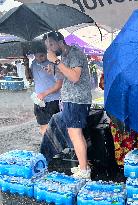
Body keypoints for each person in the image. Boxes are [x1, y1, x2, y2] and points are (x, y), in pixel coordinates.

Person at [43, 31, 92, 179]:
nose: (50, 48)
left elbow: (75, 77)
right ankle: (84, 167)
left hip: (77, 100)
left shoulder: (75, 53)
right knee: (75, 134)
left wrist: (57, 62)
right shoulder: (64, 56)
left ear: (60, 41)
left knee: (75, 134)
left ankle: (84, 171)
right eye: (47, 46)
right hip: (71, 100)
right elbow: (65, 76)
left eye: (51, 44)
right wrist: (54, 68)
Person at [27, 44, 63, 135]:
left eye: (42, 56)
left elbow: (59, 84)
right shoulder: (34, 63)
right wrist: (26, 65)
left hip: (53, 100)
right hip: (39, 100)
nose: (39, 58)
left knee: (55, 126)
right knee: (43, 126)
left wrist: (44, 93)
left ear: (47, 53)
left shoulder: (53, 64)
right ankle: (46, 146)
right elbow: (30, 78)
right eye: (37, 56)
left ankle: (56, 147)